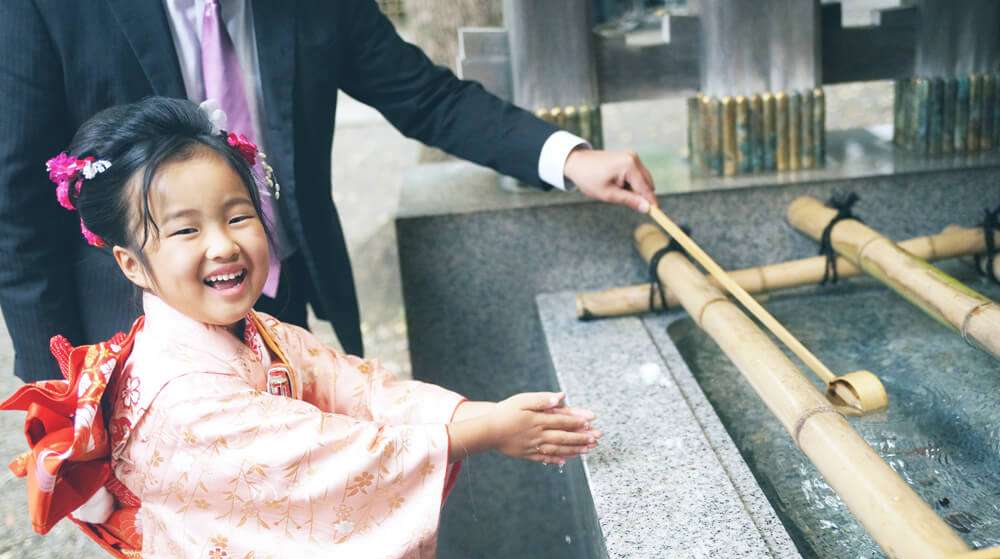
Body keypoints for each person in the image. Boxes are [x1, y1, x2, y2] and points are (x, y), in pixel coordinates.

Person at [1, 97, 602, 559]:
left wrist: (472, 416)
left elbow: (356, 387)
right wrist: (479, 433)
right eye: (185, 230)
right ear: (133, 264)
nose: (223, 245)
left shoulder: (255, 331)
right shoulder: (179, 395)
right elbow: (323, 455)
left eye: (238, 216)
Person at [0, 0, 657, 383]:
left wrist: (568, 157)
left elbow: (423, 96)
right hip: (138, 335)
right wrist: (57, 395)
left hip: (279, 304)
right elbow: (17, 204)